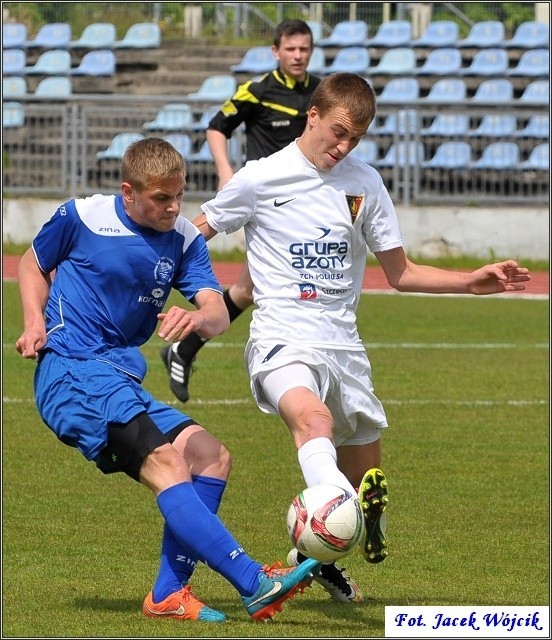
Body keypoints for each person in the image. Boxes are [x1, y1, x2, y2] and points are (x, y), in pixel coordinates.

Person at [188, 73, 531, 603]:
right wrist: (168, 287)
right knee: (314, 422)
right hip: (281, 338)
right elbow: (194, 234)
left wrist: (471, 282)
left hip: (344, 348)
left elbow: (400, 271)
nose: (343, 147)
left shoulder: (364, 183)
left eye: (357, 138)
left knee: (362, 484)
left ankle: (316, 554)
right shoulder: (260, 178)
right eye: (339, 133)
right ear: (314, 116)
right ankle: (325, 515)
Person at [15, 137, 321, 623]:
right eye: (161, 198)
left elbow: (218, 310)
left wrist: (200, 319)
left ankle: (167, 594)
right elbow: (32, 262)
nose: (174, 207)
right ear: (129, 191)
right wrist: (34, 322)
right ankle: (255, 584)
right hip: (72, 370)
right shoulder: (83, 216)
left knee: (210, 456)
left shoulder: (183, 238)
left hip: (119, 378)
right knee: (167, 464)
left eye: (179, 195)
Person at [162, 18, 321, 405]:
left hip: (305, 204)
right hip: (265, 204)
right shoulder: (257, 91)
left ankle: (184, 346)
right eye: (290, 49)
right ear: (276, 51)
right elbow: (216, 128)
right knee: (273, 286)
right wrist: (226, 170)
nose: (297, 56)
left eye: (304, 49)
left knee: (249, 289)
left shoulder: (321, 92)